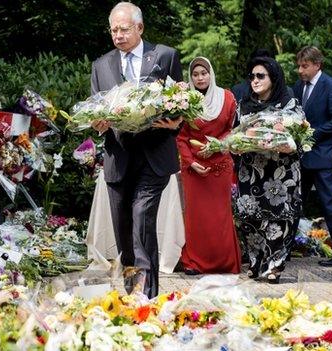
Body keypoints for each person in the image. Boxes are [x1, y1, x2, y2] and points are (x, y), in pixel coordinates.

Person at [90, 1, 183, 298]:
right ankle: (133, 292)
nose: (118, 35)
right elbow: (96, 109)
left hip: (154, 156)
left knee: (143, 219)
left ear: (140, 28)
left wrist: (175, 122)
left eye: (124, 29)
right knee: (123, 230)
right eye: (113, 30)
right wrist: (97, 122)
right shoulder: (101, 65)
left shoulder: (165, 56)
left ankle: (148, 297)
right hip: (118, 157)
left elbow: (181, 102)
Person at [233, 56, 301, 284]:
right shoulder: (243, 104)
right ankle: (255, 262)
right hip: (250, 172)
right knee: (248, 218)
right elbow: (234, 133)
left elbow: (300, 136)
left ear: (273, 77)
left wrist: (282, 141)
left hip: (281, 172)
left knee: (279, 219)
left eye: (260, 76)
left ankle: (274, 266)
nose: (254, 80)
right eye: (251, 76)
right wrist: (235, 144)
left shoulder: (289, 103)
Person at [293, 46, 332, 267]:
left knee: (331, 205)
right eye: (299, 66)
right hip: (302, 157)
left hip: (324, 156)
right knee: (293, 201)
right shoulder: (298, 87)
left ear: (317, 64)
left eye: (305, 66)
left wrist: (311, 134)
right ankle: (283, 248)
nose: (300, 70)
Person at [176, 57, 241, 275]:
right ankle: (194, 262)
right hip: (194, 168)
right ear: (190, 77)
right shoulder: (184, 101)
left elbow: (233, 129)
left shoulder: (227, 97)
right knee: (196, 217)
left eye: (204, 73)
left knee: (219, 215)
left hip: (219, 165)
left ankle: (225, 262)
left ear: (211, 74)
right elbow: (181, 137)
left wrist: (218, 145)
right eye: (195, 74)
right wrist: (191, 162)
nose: (200, 78)